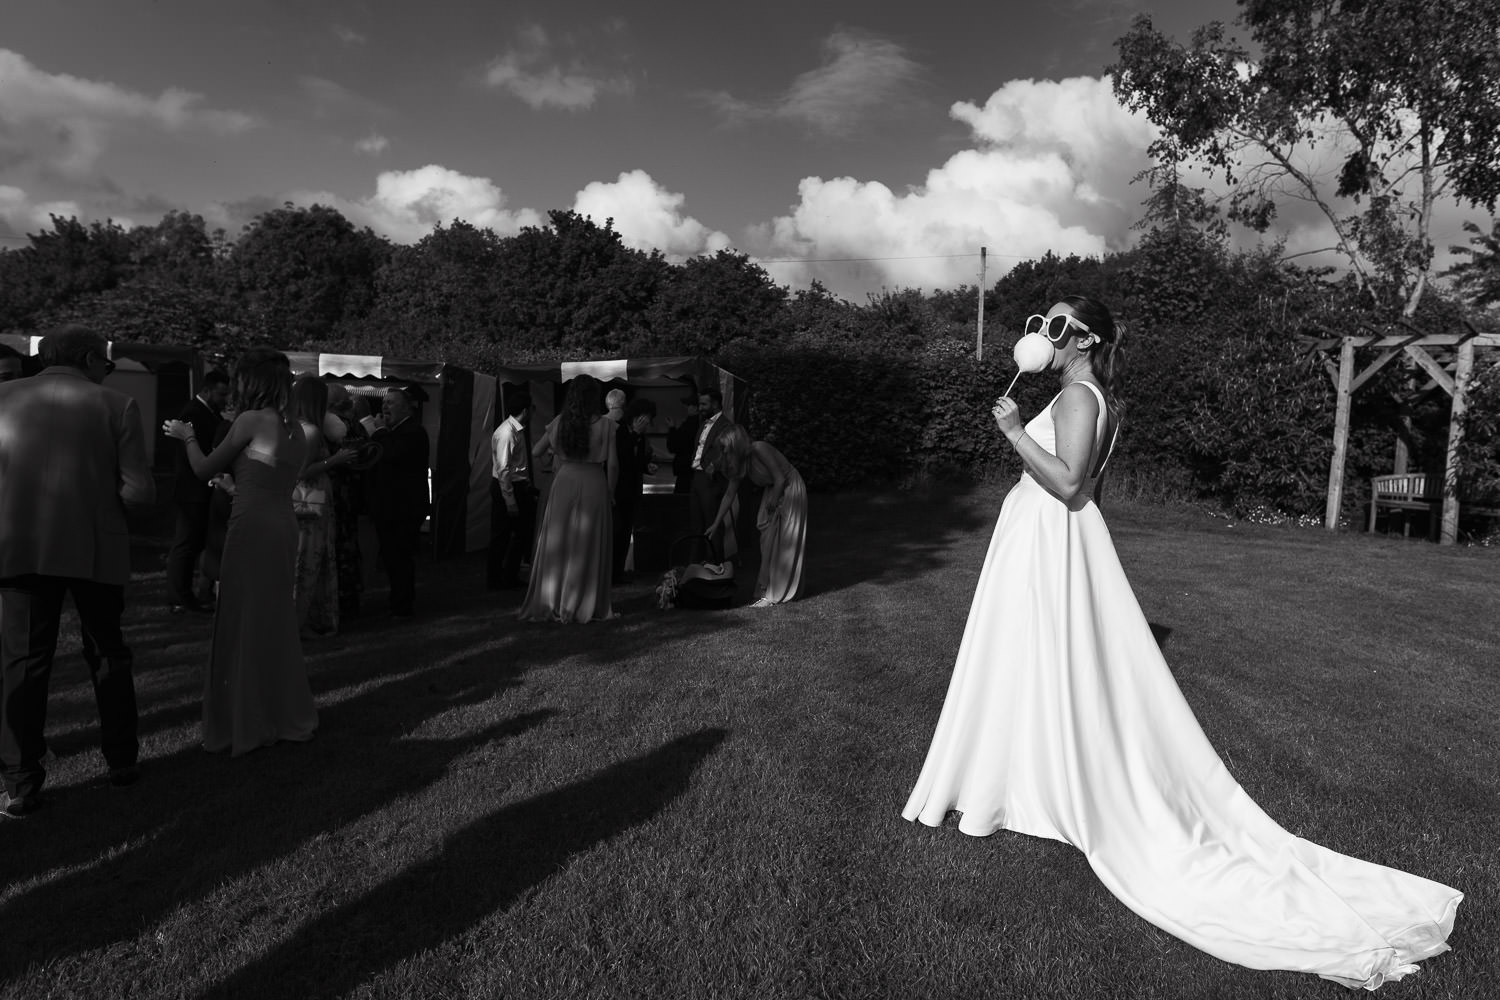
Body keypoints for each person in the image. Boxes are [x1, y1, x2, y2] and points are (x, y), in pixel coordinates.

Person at [900, 296, 1460, 989]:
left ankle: (1015, 784)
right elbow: (1092, 500)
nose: (1045, 333)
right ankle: (1022, 778)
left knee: (1032, 659)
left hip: (1048, 529)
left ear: (1087, 340)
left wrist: (1014, 433)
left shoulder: (1078, 397)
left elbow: (1073, 487)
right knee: (1037, 661)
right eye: (1042, 323)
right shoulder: (1095, 397)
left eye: (1059, 326)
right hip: (1047, 541)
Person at [0, 326, 154, 815]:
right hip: (93, 547)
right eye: (105, 362)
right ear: (89, 358)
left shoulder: (2, 397)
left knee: (24, 661)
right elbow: (139, 492)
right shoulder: (116, 405)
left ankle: (21, 784)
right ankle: (122, 761)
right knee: (107, 651)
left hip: (19, 547)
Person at [163, 347, 318, 756]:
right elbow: (269, 479)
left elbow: (203, 469)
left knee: (242, 617)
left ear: (250, 383)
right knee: (273, 618)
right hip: (282, 526)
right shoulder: (298, 430)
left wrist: (188, 436)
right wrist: (236, 487)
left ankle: (246, 717)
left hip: (250, 528)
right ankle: (278, 709)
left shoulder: (250, 420)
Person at [519, 374, 618, 623]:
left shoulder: (560, 422)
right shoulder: (606, 425)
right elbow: (614, 465)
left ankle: (555, 598)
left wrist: (554, 456)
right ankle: (585, 600)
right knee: (588, 542)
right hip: (594, 481)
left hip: (565, 481)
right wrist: (611, 491)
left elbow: (536, 450)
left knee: (559, 541)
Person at [709, 426, 806, 606]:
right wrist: (716, 523)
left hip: (790, 489)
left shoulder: (759, 448)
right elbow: (729, 495)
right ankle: (766, 589)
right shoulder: (739, 464)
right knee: (767, 540)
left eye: (725, 448)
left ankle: (774, 593)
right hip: (773, 490)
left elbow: (780, 478)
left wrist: (773, 504)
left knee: (784, 541)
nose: (724, 452)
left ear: (735, 445)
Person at [289, 375, 356, 637]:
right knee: (310, 559)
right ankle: (307, 619)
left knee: (303, 558)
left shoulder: (293, 427)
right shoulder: (312, 431)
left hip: (303, 500)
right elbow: (301, 471)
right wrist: (336, 460)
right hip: (311, 500)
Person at [165, 369, 231, 614]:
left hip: (199, 487)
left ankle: (185, 594)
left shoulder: (206, 412)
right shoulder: (192, 414)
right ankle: (179, 596)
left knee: (193, 543)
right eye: (222, 393)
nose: (225, 399)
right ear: (206, 390)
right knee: (185, 543)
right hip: (192, 489)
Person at [362, 387, 431, 619]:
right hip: (392, 507)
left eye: (390, 403)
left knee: (400, 557)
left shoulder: (413, 432)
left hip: (403, 508)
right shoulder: (398, 431)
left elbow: (390, 454)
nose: (384, 407)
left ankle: (402, 605)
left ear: (405, 407)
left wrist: (379, 431)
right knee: (393, 558)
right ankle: (397, 601)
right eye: (384, 403)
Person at [324, 385, 369, 619]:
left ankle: (337, 599)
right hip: (349, 494)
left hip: (333, 494)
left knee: (335, 546)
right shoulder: (356, 427)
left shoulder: (328, 426)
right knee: (348, 546)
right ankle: (349, 598)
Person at [488, 393, 536, 590]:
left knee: (522, 533)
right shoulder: (507, 433)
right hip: (506, 487)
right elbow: (503, 468)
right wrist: (510, 500)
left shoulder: (517, 430)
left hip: (517, 486)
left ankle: (509, 575)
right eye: (532, 409)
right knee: (501, 535)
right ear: (525, 411)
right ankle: (495, 579)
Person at [685, 389, 736, 556]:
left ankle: (714, 563)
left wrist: (715, 465)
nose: (700, 407)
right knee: (695, 523)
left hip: (710, 479)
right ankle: (695, 562)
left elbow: (728, 452)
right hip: (697, 477)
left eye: (703, 404)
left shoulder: (725, 425)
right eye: (700, 404)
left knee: (711, 521)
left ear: (715, 404)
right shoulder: (704, 423)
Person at [612, 397, 657, 584]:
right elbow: (620, 455)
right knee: (616, 531)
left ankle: (618, 572)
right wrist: (635, 435)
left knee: (625, 532)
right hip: (618, 489)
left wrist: (647, 467)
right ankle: (612, 572)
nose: (648, 423)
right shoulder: (619, 430)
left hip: (632, 490)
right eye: (647, 419)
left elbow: (635, 461)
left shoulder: (640, 436)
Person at [664, 396, 700, 495]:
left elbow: (674, 446)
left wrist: (672, 429)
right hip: (692, 469)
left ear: (696, 408)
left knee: (682, 499)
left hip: (687, 469)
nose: (687, 408)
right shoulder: (700, 423)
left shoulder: (691, 424)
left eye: (689, 405)